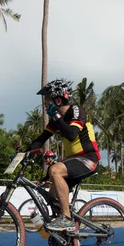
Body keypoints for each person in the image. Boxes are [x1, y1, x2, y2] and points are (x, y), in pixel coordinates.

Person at [27, 79, 100, 231]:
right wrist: (22, 153)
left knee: (54, 170)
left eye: (47, 101)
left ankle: (66, 218)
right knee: (52, 195)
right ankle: (65, 233)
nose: (45, 105)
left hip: (89, 158)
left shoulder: (76, 110)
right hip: (73, 160)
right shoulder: (55, 120)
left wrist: (57, 117)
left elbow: (72, 134)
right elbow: (41, 139)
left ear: (58, 100)